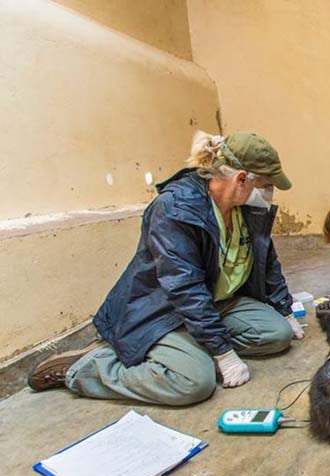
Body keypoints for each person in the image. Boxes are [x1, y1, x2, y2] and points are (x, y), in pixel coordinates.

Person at [27, 131, 305, 406]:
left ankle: (187, 350)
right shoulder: (175, 208)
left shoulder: (243, 207)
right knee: (195, 383)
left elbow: (266, 258)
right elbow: (185, 288)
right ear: (241, 178)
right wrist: (223, 353)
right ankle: (87, 368)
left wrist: (284, 307)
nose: (268, 192)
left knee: (276, 334)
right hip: (162, 312)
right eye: (266, 184)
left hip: (215, 301)